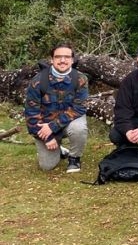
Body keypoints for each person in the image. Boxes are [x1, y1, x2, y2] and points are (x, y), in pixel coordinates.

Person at [24, 43, 89, 173]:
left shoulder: (80, 79)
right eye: (58, 57)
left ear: (72, 59)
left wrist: (52, 126)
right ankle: (59, 150)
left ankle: (74, 158)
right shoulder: (38, 81)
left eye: (66, 57)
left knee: (79, 128)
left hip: (68, 122)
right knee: (47, 166)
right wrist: (46, 137)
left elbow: (80, 108)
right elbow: (31, 114)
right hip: (45, 127)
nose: (62, 60)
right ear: (52, 60)